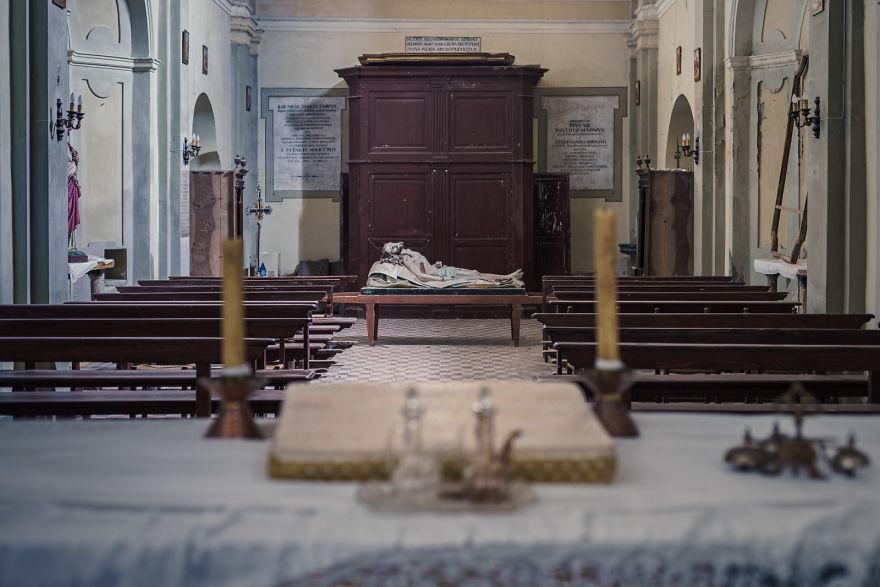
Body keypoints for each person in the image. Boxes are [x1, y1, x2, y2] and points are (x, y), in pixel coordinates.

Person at [366, 242, 524, 288]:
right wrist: (438, 279)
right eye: (392, 248)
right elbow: (420, 276)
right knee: (474, 277)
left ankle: (507, 278)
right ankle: (507, 279)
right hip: (440, 275)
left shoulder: (409, 253)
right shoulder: (405, 259)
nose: (395, 245)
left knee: (475, 273)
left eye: (392, 244)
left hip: (440, 270)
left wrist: (435, 265)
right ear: (393, 254)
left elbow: (425, 267)